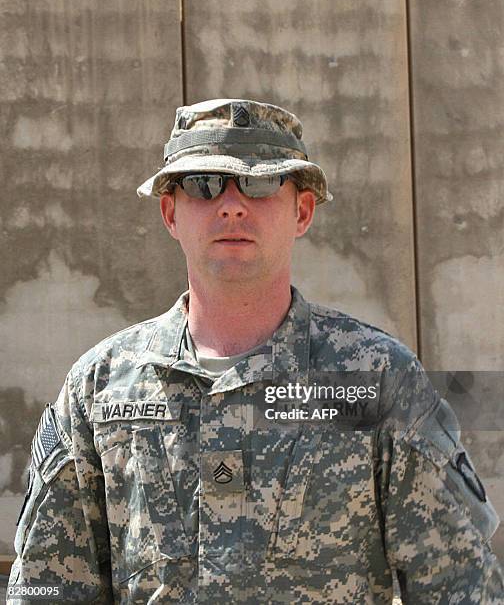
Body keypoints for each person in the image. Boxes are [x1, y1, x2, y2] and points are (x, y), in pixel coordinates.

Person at [8, 99, 504, 604]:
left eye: (261, 183)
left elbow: (463, 586)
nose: (231, 204)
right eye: (203, 184)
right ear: (170, 212)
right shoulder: (101, 389)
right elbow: (45, 588)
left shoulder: (378, 379)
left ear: (302, 211)